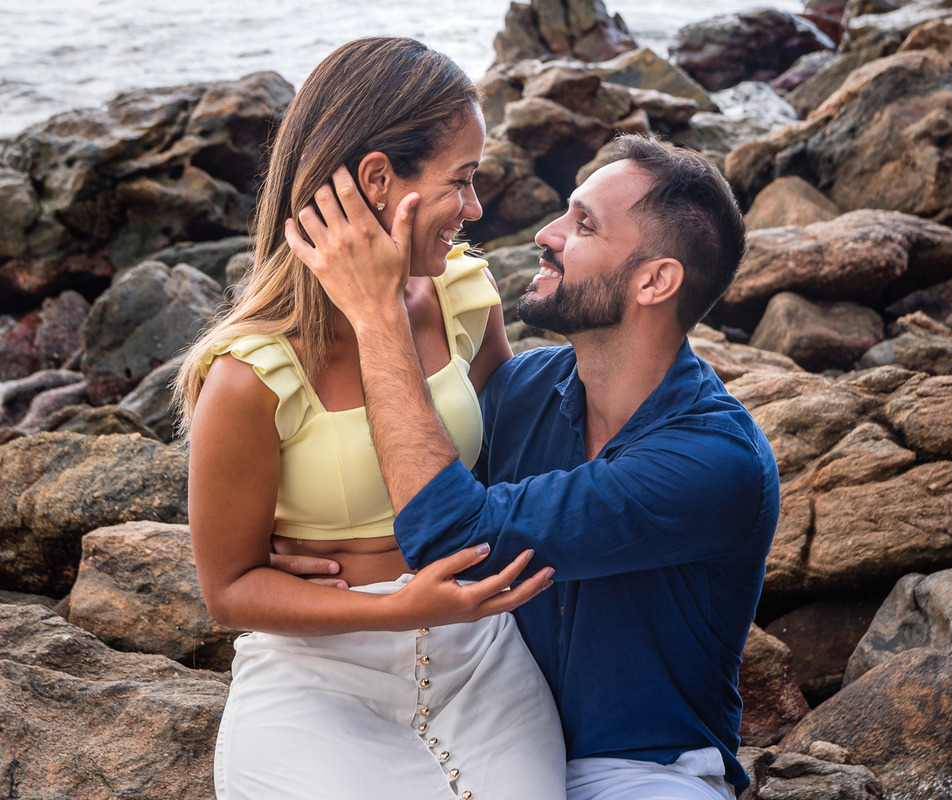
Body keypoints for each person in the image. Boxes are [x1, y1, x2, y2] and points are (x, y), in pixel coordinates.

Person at [287, 133, 781, 799]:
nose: (546, 234)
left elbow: (450, 534)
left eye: (583, 224)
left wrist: (377, 318)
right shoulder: (525, 392)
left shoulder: (713, 461)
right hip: (479, 739)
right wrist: (304, 550)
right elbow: (410, 482)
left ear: (656, 280)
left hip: (639, 770)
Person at [174, 37, 566, 800]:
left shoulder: (460, 296)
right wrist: (389, 606)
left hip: (479, 659)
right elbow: (227, 591)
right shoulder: (248, 377)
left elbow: (511, 462)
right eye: (463, 180)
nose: (477, 208)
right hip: (318, 676)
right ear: (380, 180)